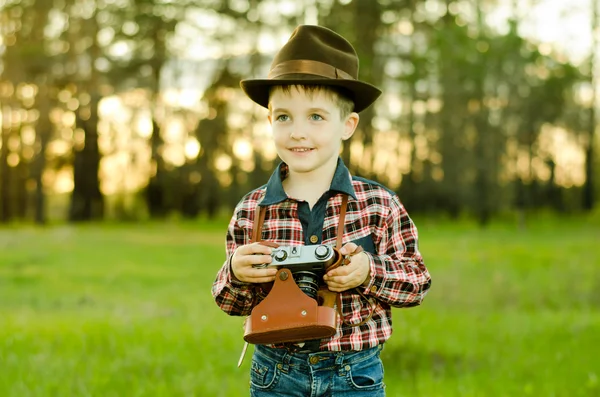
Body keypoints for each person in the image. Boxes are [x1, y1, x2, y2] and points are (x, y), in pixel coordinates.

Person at [212, 24, 432, 396]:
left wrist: (368, 271)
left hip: (355, 373)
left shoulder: (378, 204)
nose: (298, 132)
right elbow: (231, 302)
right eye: (284, 117)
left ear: (347, 125)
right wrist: (236, 272)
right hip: (275, 372)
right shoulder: (252, 210)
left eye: (316, 117)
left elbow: (417, 283)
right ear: (269, 122)